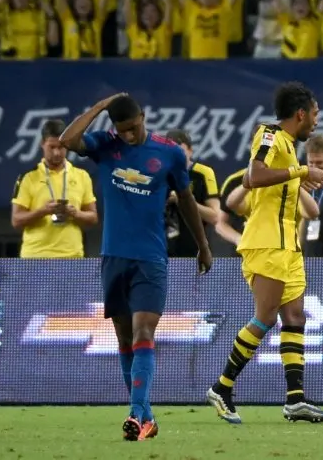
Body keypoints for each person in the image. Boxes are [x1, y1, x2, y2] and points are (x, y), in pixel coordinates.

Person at [59, 93, 212, 441]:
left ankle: (134, 413)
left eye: (132, 128)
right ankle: (146, 417)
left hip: (151, 257)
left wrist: (203, 246)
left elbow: (186, 200)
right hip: (113, 256)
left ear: (143, 116)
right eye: (121, 130)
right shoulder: (104, 145)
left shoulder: (169, 153)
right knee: (125, 339)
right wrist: (97, 108)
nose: (128, 136)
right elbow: (68, 140)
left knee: (145, 334)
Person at [207, 82, 323, 425]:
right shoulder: (268, 134)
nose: (316, 120)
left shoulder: (290, 147)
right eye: (315, 113)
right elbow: (254, 175)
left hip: (288, 248)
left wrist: (300, 178)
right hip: (266, 244)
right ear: (300, 114)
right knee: (264, 318)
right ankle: (222, 388)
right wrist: (300, 172)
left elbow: (280, 186)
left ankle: (295, 400)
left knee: (294, 318)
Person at [11, 120, 98, 258]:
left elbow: (92, 217)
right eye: (51, 147)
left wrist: (75, 213)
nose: (57, 152)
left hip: (72, 257)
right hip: (35, 257)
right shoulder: (28, 178)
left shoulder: (82, 176)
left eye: (61, 147)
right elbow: (16, 220)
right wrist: (43, 211)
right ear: (42, 144)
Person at [164, 130, 220, 258]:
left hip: (194, 251)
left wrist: (184, 200)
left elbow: (214, 217)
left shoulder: (203, 173)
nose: (176, 157)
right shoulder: (158, 173)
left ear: (190, 151)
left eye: (181, 152)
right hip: (161, 251)